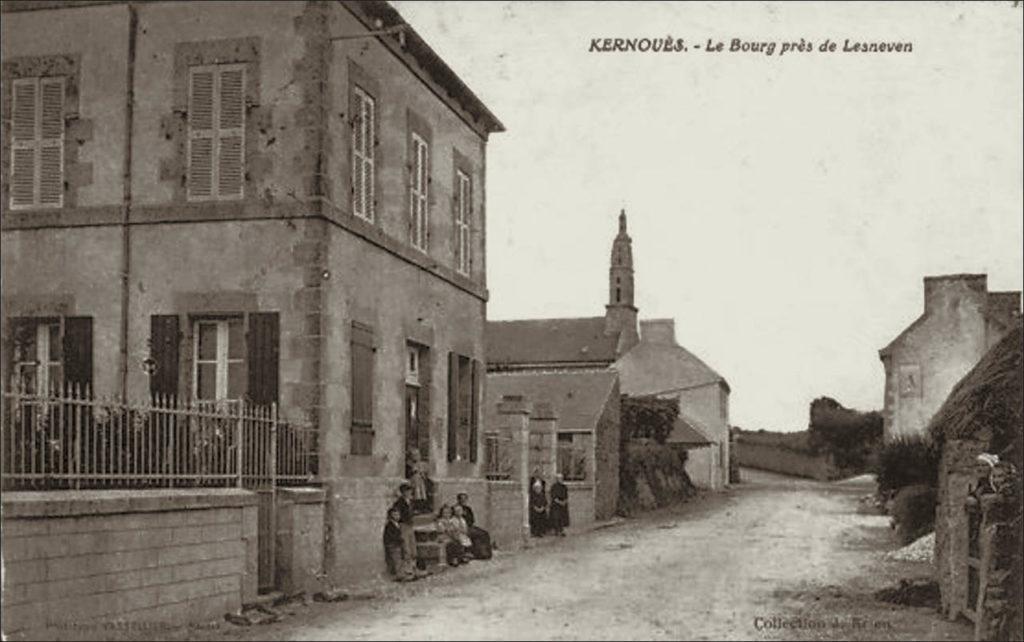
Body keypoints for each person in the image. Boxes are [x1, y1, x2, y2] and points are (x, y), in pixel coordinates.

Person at [389, 483, 420, 577]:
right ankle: (407, 570)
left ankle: (414, 568)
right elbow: (397, 515)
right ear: (402, 492)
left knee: (412, 546)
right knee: (406, 548)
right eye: (407, 491)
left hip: (410, 525)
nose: (409, 492)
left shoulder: (410, 501)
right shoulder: (399, 503)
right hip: (403, 525)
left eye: (410, 491)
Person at [456, 492, 493, 559]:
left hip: (470, 526)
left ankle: (485, 553)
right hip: (462, 527)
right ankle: (480, 553)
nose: (463, 501)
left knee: (485, 533)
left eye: (465, 499)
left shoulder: (468, 509)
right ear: (458, 500)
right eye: (462, 499)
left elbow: (472, 519)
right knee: (480, 534)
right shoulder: (456, 508)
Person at [383, 507, 415, 581]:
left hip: (399, 544)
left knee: (402, 558)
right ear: (390, 516)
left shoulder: (398, 524)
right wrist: (399, 539)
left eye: (398, 514)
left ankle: (405, 572)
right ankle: (400, 574)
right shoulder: (389, 525)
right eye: (395, 515)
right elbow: (391, 536)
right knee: (397, 560)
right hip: (393, 545)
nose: (397, 516)